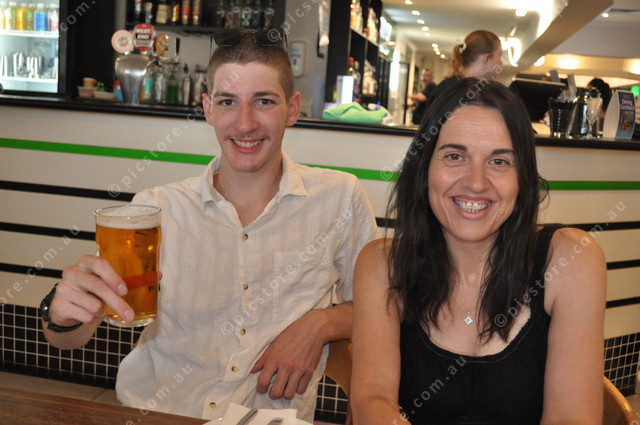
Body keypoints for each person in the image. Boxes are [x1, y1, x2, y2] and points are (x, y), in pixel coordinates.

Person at [41, 29, 377, 422]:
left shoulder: (339, 197)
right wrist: (62, 315)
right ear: (208, 109)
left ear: (292, 108)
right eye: (228, 102)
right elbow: (68, 338)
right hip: (158, 412)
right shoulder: (157, 209)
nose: (245, 123)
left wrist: (319, 325)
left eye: (264, 101)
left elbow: (380, 309)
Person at [351, 78, 606, 425]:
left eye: (499, 161)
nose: (475, 182)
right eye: (455, 156)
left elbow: (571, 419)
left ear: (523, 179)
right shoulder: (382, 265)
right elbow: (372, 399)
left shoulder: (571, 261)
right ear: (424, 169)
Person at [426, 30, 502, 110]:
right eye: (499, 55)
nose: (501, 62)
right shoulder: (455, 91)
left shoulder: (469, 88)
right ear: (486, 58)